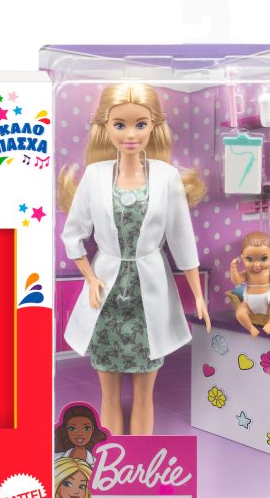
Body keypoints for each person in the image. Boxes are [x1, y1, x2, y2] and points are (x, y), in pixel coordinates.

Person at [59, 83, 211, 436]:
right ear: (105, 126)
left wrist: (198, 295)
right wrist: (90, 278)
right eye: (120, 124)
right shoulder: (95, 176)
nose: (130, 134)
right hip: (105, 294)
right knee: (108, 394)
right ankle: (111, 458)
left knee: (144, 394)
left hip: (149, 293)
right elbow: (73, 234)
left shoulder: (166, 176)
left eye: (140, 124)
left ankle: (140, 460)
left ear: (154, 125)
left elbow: (181, 238)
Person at [230, 231, 270, 337]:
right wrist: (233, 269)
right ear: (242, 257)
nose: (256, 264)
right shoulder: (247, 273)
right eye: (249, 259)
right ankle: (251, 328)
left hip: (267, 300)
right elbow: (236, 281)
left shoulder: (269, 273)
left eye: (263, 259)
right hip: (249, 302)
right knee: (240, 313)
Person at [54, 404, 108, 468]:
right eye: (72, 428)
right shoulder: (54, 458)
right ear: (66, 430)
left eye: (86, 428)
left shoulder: (99, 464)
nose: (79, 433)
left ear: (93, 429)